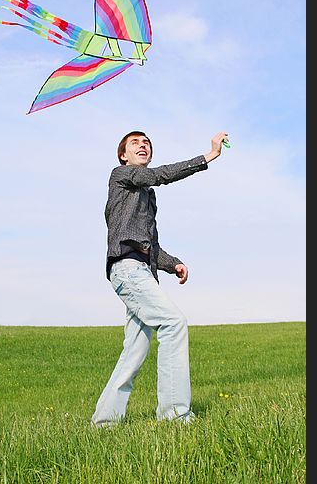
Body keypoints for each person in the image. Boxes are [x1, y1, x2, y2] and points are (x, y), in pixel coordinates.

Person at [91, 130, 229, 427]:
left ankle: (104, 423)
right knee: (173, 323)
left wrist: (172, 264)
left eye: (147, 143)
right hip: (127, 270)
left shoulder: (146, 196)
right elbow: (160, 175)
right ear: (123, 156)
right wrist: (208, 156)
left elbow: (150, 245)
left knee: (135, 351)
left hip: (142, 272)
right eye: (135, 143)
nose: (143, 145)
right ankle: (175, 415)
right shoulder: (121, 175)